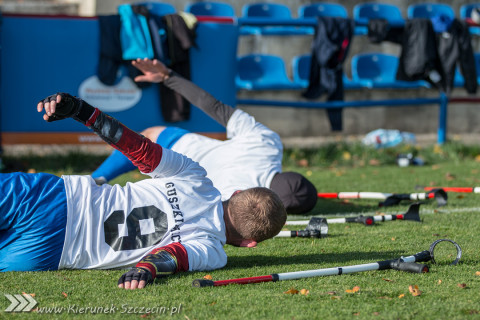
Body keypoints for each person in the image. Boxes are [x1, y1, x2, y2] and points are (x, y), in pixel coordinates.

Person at [0, 92, 287, 290]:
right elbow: (173, 256)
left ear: (235, 193)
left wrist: (80, 111)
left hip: (56, 198)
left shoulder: (195, 176)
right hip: (50, 252)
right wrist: (146, 268)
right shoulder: (214, 251)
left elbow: (137, 147)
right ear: (249, 243)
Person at [92, 58, 318, 215]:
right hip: (175, 178)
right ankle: (99, 184)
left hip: (176, 143)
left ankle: (97, 178)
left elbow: (214, 106)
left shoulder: (269, 143)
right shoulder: (240, 199)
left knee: (151, 135)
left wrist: (168, 76)